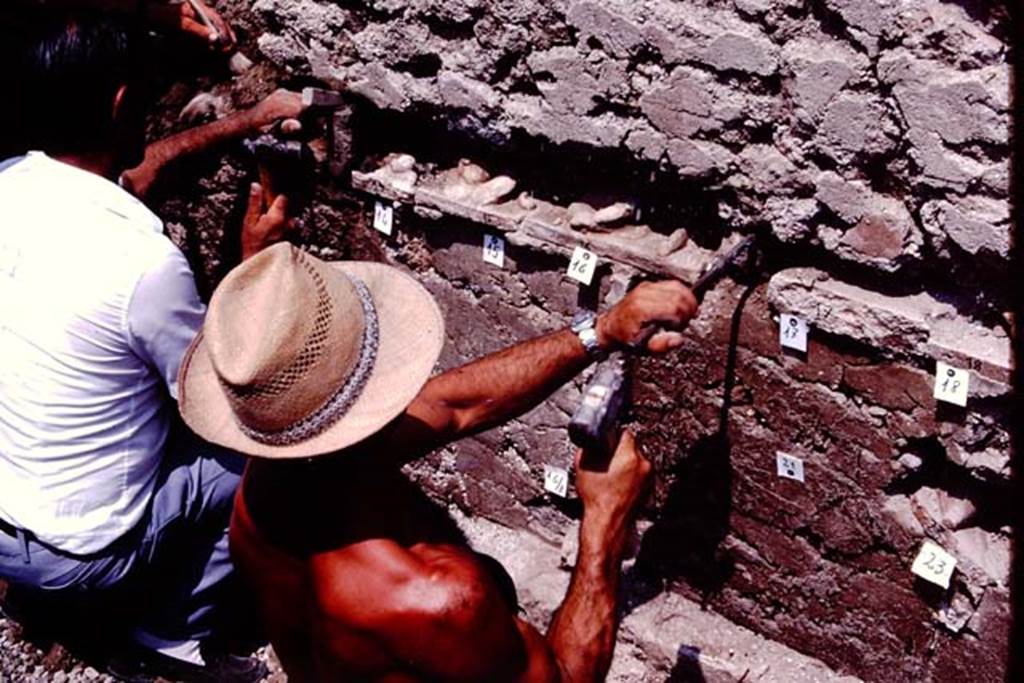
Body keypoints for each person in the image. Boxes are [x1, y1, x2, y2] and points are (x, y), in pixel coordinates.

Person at [178, 243, 700, 681]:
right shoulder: (439, 601)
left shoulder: (263, 490)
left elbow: (454, 407)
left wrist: (600, 332)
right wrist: (604, 520)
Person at [0, 11, 301, 682]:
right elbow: (223, 396)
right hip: (83, 553)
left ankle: (33, 594)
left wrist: (248, 121)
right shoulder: (143, 262)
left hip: (6, 523)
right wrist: (257, 267)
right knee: (266, 445)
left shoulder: (9, 183)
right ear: (121, 103)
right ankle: (172, 631)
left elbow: (141, 172)